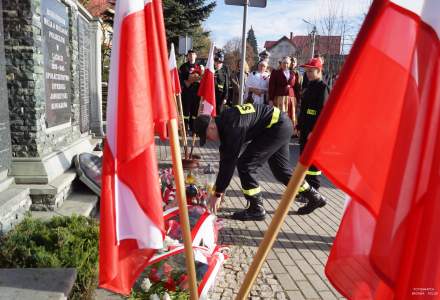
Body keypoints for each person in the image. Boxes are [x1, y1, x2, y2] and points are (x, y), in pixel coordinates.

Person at [194, 103, 292, 220]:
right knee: (281, 171)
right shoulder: (225, 122)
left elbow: (229, 162)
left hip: (276, 126)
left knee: (246, 164)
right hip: (280, 123)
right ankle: (313, 195)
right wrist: (219, 188)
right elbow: (225, 160)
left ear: (211, 127)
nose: (210, 140)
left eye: (207, 136)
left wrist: (218, 193)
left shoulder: (232, 128)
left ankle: (257, 208)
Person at [295, 57, 329, 214]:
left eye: (310, 71)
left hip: (314, 131)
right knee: (304, 160)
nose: (307, 73)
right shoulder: (308, 86)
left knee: (313, 164)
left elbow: (323, 113)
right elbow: (304, 108)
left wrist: (314, 131)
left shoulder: (323, 88)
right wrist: (299, 126)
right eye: (306, 70)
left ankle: (314, 190)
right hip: (305, 128)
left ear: (319, 71)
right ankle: (305, 190)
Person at [268, 56, 301, 127]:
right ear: (281, 63)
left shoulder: (294, 73)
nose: (285, 65)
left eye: (287, 63)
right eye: (284, 63)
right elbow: (272, 86)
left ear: (289, 64)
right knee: (280, 116)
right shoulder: (275, 72)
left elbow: (297, 88)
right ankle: (279, 131)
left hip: (291, 99)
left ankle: (292, 131)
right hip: (279, 98)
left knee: (291, 115)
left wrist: (298, 99)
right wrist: (271, 99)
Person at [179, 49, 204, 132]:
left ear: (196, 56)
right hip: (186, 93)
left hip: (196, 93)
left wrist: (197, 78)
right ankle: (185, 128)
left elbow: (203, 79)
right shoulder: (183, 67)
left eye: (193, 54)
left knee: (194, 112)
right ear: (187, 57)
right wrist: (188, 81)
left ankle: (193, 129)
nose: (191, 56)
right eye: (189, 55)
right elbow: (180, 79)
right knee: (186, 112)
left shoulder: (200, 67)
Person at [214, 51, 230, 115]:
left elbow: (226, 85)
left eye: (220, 62)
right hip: (211, 95)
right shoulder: (211, 70)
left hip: (220, 96)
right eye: (216, 61)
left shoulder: (224, 71)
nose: (218, 63)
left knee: (219, 114)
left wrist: (225, 97)